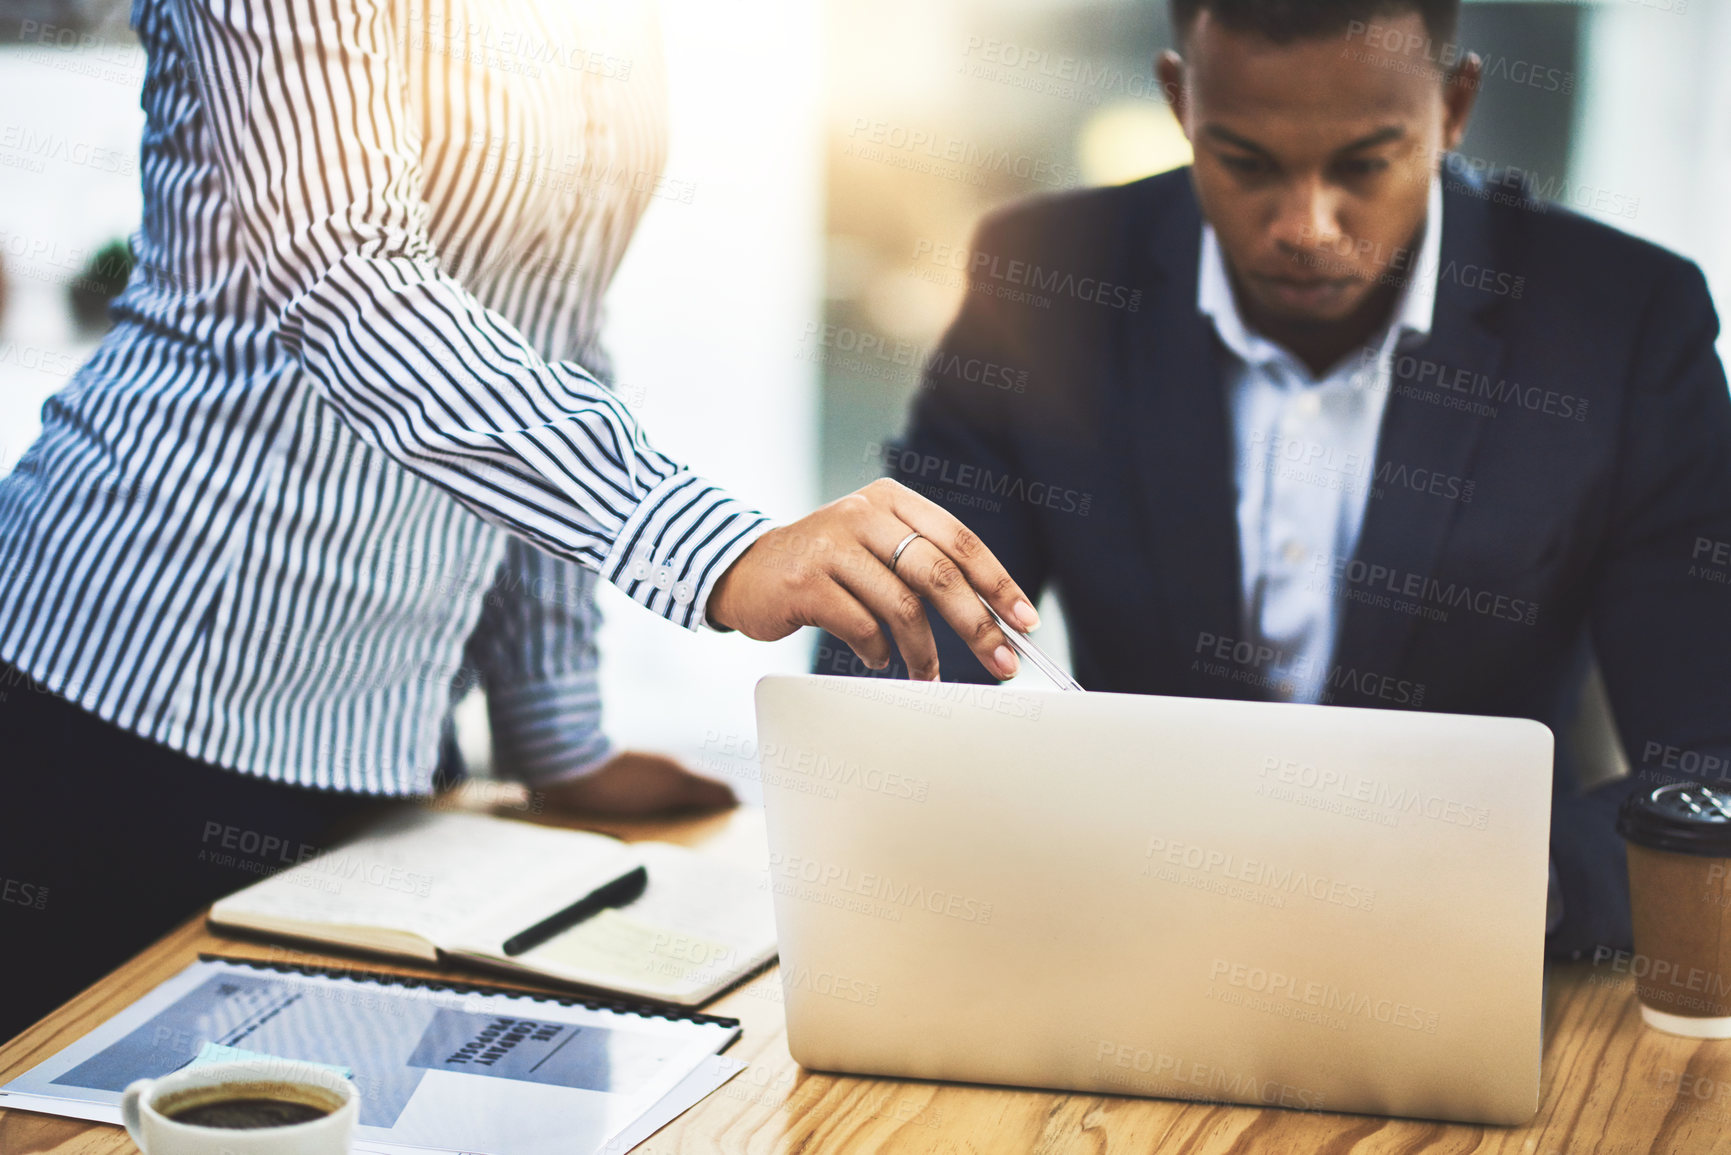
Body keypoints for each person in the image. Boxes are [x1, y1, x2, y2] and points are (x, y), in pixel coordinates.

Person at [0, 0, 1040, 1044]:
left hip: (391, 743)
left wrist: (555, 732)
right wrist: (716, 546)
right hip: (129, 695)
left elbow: (549, 338)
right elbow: (348, 283)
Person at [818, 0, 1731, 961]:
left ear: (1454, 106)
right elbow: (899, 653)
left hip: (1470, 960)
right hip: (1127, 941)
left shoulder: (1618, 321)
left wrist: (1507, 883)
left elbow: (1712, 763)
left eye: (1365, 163)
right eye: (1246, 163)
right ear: (1179, 98)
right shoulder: (1047, 276)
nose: (1307, 226)